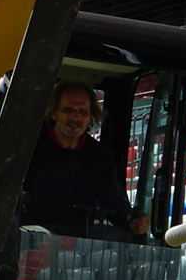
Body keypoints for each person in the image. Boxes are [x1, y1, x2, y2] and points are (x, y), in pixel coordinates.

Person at [20, 81, 143, 235]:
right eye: (68, 110)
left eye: (83, 112)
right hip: (32, 234)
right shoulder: (28, 148)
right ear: (54, 113)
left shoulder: (100, 156)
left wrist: (132, 221)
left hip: (80, 241)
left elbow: (114, 203)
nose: (76, 117)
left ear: (91, 116)